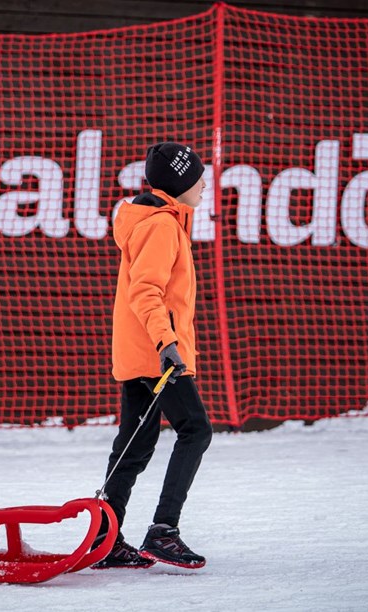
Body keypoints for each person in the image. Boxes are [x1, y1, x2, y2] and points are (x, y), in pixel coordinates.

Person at [93, 142, 213, 570]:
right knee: (195, 431)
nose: (204, 184)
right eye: (198, 178)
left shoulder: (153, 221)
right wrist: (167, 344)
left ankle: (102, 539)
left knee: (135, 443)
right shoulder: (162, 226)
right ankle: (164, 531)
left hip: (138, 351)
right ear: (180, 185)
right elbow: (147, 291)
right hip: (156, 353)